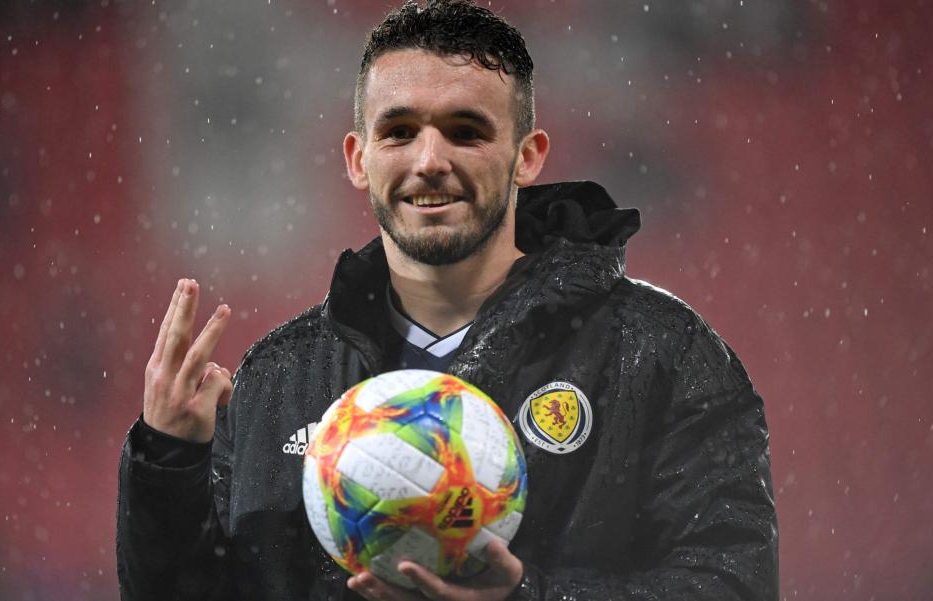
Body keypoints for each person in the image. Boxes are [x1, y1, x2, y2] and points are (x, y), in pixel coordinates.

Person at [116, 1, 778, 600]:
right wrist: (167, 458)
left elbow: (733, 585)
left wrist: (527, 598)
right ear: (357, 158)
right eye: (399, 131)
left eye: (466, 131)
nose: (430, 159)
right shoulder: (275, 379)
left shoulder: (662, 356)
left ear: (527, 156)